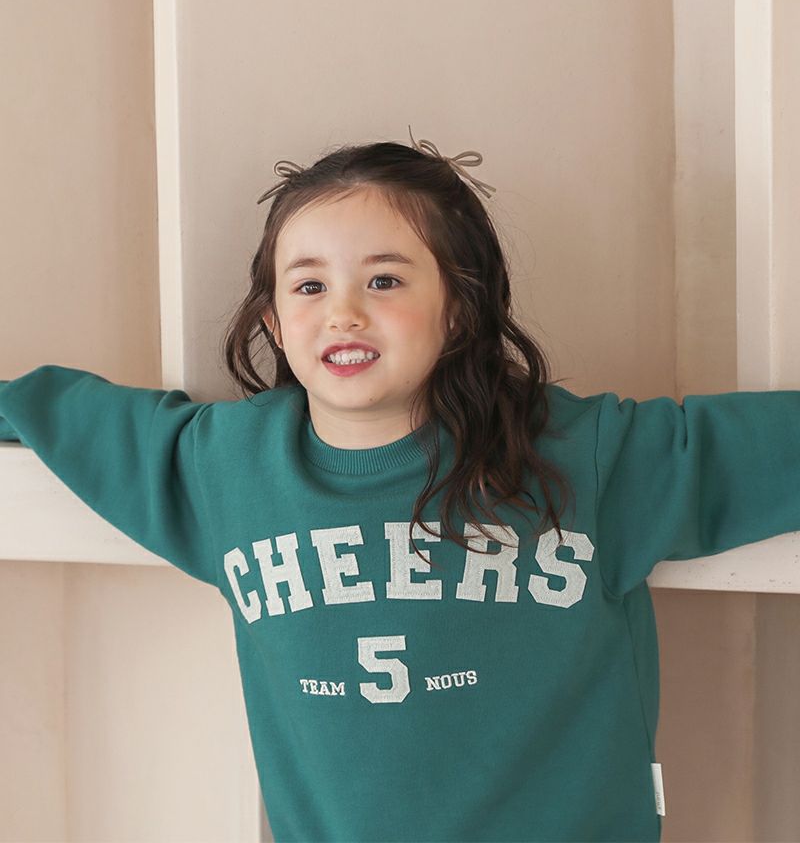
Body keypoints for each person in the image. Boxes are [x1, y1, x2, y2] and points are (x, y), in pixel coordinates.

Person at [1, 126, 798, 843]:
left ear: (459, 310)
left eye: (384, 281)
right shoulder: (225, 466)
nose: (343, 312)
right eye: (309, 286)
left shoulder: (584, 456)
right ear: (274, 322)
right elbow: (62, 412)